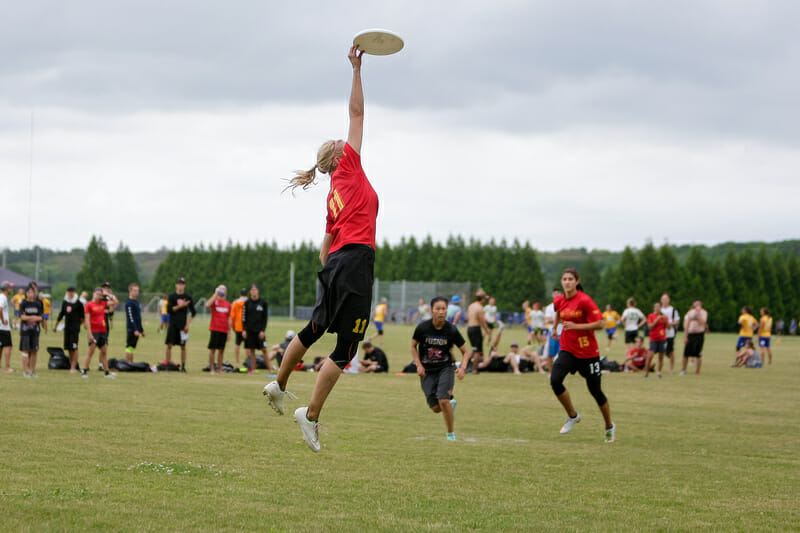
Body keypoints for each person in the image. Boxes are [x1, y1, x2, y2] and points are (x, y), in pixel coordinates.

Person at [264, 45, 378, 453]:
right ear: (338, 154)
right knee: (346, 347)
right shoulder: (349, 165)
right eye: (340, 141)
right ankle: (309, 415)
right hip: (356, 260)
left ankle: (278, 384)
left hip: (337, 264)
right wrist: (356, 70)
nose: (345, 139)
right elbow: (357, 114)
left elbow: (322, 252)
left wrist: (337, 267)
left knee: (315, 328)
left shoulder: (333, 193)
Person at [549, 269, 615, 443]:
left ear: (577, 281)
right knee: (555, 380)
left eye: (571, 279)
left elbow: (601, 324)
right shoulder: (559, 300)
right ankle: (572, 415)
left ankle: (609, 426)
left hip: (588, 353)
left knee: (595, 391)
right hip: (568, 349)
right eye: (564, 279)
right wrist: (555, 327)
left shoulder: (585, 300)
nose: (567, 282)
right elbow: (558, 312)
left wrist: (575, 326)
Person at [411, 296, 471, 441]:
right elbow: (413, 346)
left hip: (446, 368)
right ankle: (451, 404)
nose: (441, 312)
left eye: (444, 309)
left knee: (443, 400)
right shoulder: (423, 328)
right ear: (432, 310)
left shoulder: (451, 330)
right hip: (427, 371)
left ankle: (450, 434)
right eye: (438, 309)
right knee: (436, 408)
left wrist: (462, 368)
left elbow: (466, 352)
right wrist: (418, 365)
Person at [82, 287, 118, 378]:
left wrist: (108, 295)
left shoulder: (103, 303)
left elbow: (115, 302)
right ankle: (85, 371)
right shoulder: (89, 305)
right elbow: (87, 320)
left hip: (103, 331)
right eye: (97, 294)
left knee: (104, 352)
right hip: (94, 331)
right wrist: (90, 334)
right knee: (91, 351)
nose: (98, 296)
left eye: (100, 295)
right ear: (94, 294)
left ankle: (106, 372)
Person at [165, 277, 196, 372]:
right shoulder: (172, 297)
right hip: (173, 324)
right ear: (176, 285)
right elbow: (169, 310)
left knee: (183, 346)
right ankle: (168, 366)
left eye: (182, 284)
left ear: (184, 285)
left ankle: (183, 366)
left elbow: (193, 312)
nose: (180, 286)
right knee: (169, 345)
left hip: (183, 325)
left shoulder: (188, 297)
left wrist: (188, 324)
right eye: (179, 284)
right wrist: (181, 306)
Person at [52, 286, 85, 372]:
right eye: (69, 291)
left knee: (74, 347)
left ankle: (73, 367)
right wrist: (55, 326)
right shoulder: (65, 302)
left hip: (75, 329)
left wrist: (79, 325)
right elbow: (61, 314)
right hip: (67, 328)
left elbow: (82, 317)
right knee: (69, 348)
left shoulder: (78, 304)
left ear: (74, 292)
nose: (70, 293)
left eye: (72, 291)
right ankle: (71, 365)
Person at [242, 284, 269, 374]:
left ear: (258, 291)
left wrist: (262, 330)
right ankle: (253, 369)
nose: (254, 291)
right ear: (250, 292)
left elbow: (265, 318)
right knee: (251, 350)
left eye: (255, 290)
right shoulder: (247, 303)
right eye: (252, 290)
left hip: (259, 331)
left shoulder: (263, 303)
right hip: (250, 330)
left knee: (264, 349)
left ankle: (270, 369)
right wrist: (244, 330)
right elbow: (244, 317)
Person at [19, 283, 44, 378]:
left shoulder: (38, 304)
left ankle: (32, 370)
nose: (30, 294)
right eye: (28, 292)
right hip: (25, 330)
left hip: (35, 330)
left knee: (34, 351)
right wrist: (34, 317)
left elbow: (40, 318)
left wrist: (30, 317)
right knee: (25, 350)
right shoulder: (23, 303)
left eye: (32, 292)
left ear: (34, 293)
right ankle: (25, 370)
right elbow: (22, 317)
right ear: (26, 293)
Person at [205, 284, 232, 375]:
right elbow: (207, 305)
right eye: (220, 289)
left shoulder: (228, 304)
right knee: (213, 349)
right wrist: (215, 294)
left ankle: (220, 369)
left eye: (223, 289)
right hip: (215, 328)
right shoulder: (215, 301)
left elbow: (229, 318)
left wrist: (229, 331)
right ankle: (212, 368)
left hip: (224, 330)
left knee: (221, 350)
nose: (222, 291)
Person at [466, 289, 490, 374]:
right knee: (477, 351)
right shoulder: (480, 308)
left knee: (473, 349)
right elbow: (482, 322)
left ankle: (464, 367)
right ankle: (474, 370)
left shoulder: (471, 306)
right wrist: (488, 332)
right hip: (476, 329)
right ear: (482, 299)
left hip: (469, 328)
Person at [645, 302, 669, 378]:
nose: (657, 308)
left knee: (661, 357)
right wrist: (656, 320)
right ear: (654, 308)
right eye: (656, 307)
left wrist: (665, 321)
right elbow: (650, 327)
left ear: (660, 308)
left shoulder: (664, 316)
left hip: (662, 339)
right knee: (650, 356)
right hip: (653, 339)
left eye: (658, 307)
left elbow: (668, 327)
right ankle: (646, 373)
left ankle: (659, 373)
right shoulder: (651, 316)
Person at [660, 294, 681, 375]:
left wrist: (670, 324)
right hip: (661, 333)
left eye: (666, 299)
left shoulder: (672, 310)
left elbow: (677, 321)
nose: (664, 301)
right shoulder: (660, 310)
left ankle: (671, 369)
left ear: (669, 300)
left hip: (670, 333)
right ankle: (660, 368)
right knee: (661, 351)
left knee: (671, 351)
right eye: (663, 299)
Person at [124, 283, 145, 362]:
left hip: (137, 329)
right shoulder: (129, 303)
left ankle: (131, 363)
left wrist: (141, 330)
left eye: (137, 291)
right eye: (135, 290)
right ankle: (128, 363)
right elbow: (131, 317)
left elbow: (138, 318)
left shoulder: (136, 302)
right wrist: (135, 329)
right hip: (131, 329)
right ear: (130, 291)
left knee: (132, 347)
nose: (136, 292)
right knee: (129, 347)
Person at [230, 288, 247, 366]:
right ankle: (247, 360)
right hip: (246, 327)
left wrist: (233, 326)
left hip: (238, 327)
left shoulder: (235, 303)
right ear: (247, 295)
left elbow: (232, 316)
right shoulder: (248, 302)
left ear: (240, 295)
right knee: (247, 346)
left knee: (237, 344)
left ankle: (237, 360)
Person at [0, 281, 14, 372]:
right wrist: (2, 320)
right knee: (8, 346)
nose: (11, 289)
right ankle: (7, 367)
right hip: (3, 327)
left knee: (0, 347)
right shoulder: (3, 297)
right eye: (10, 288)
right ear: (7, 289)